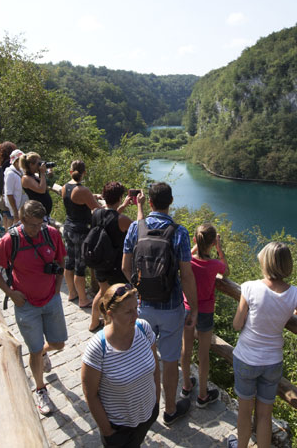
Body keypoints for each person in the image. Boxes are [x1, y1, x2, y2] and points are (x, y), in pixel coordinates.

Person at [227, 242, 297, 448]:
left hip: (246, 358)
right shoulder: (296, 294)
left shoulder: (249, 287)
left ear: (266, 263)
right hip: (272, 362)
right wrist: (292, 311)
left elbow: (237, 324)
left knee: (245, 411)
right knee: (265, 414)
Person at [122, 182, 198, 426]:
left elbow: (125, 267)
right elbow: (186, 275)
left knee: (141, 355)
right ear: (171, 202)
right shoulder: (180, 232)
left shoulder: (135, 227)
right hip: (171, 306)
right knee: (170, 360)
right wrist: (194, 307)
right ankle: (170, 409)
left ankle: (142, 408)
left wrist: (139, 290)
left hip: (142, 306)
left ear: (150, 202)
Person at [0, 200, 68, 416]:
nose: (36, 229)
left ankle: (43, 354)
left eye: (40, 224)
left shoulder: (51, 234)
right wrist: (10, 293)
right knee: (34, 350)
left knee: (59, 344)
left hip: (50, 300)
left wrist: (57, 289)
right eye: (32, 225)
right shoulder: (11, 240)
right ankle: (41, 389)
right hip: (26, 305)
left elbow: (61, 261)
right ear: (22, 220)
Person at [82, 283, 160, 448]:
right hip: (119, 427)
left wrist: (156, 402)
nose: (136, 315)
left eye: (136, 308)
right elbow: (91, 394)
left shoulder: (144, 329)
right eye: (128, 312)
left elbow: (155, 369)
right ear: (111, 314)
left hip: (147, 415)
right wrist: (107, 431)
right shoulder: (98, 348)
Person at [180, 223, 229, 408]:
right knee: (203, 354)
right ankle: (202, 395)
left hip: (187, 309)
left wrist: (196, 246)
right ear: (213, 243)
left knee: (186, 349)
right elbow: (226, 272)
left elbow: (189, 255)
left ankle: (186, 386)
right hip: (206, 312)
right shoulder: (214, 264)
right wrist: (220, 250)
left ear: (195, 240)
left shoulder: (188, 261)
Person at [88, 182, 135, 333]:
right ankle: (110, 328)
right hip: (114, 266)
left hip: (99, 261)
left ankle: (93, 322)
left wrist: (123, 206)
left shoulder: (96, 212)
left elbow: (109, 217)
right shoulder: (123, 220)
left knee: (102, 292)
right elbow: (138, 229)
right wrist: (139, 206)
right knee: (115, 299)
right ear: (120, 198)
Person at [61, 160, 102, 308]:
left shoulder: (65, 187)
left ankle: (72, 293)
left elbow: (76, 201)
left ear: (70, 171)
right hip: (80, 231)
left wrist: (92, 195)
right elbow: (97, 209)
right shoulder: (83, 190)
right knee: (80, 265)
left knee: (69, 261)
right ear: (84, 172)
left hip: (68, 228)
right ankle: (83, 300)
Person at [21, 152, 53, 219]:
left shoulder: (34, 176)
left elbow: (45, 185)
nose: (40, 166)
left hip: (43, 213)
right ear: (31, 165)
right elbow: (41, 190)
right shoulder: (26, 178)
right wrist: (42, 173)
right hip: (37, 214)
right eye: (38, 163)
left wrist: (45, 173)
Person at [3, 149, 26, 226]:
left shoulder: (21, 171)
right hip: (15, 206)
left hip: (21, 205)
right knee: (13, 226)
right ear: (16, 161)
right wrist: (15, 211)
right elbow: (9, 193)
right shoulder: (10, 174)